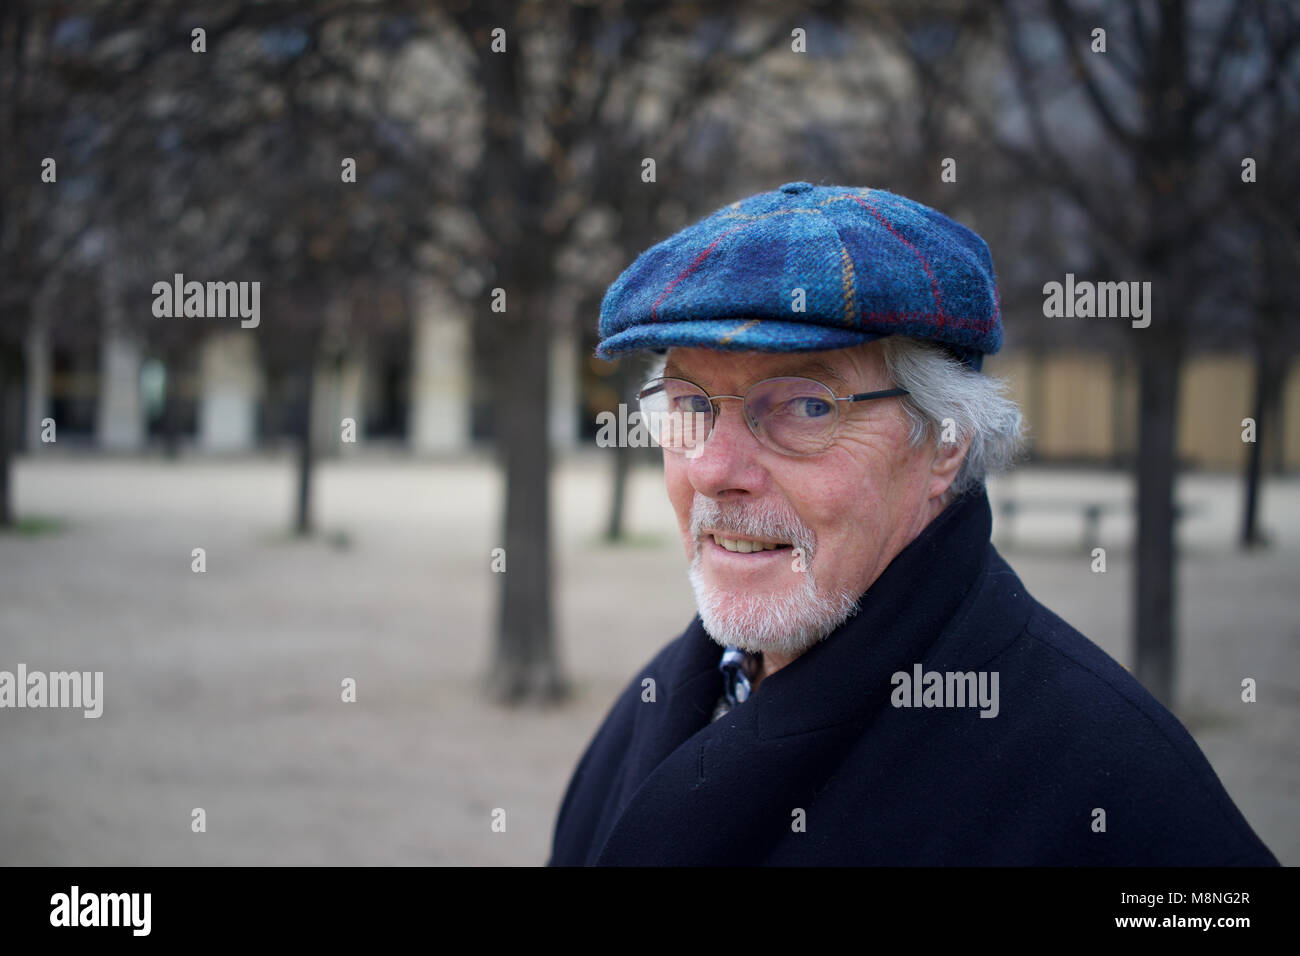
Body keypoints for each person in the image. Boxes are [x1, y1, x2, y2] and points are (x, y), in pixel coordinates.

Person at [547, 181, 1278, 866]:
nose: (712, 470)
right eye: (688, 406)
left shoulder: (1113, 785)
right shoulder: (654, 706)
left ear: (945, 442)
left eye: (805, 407)